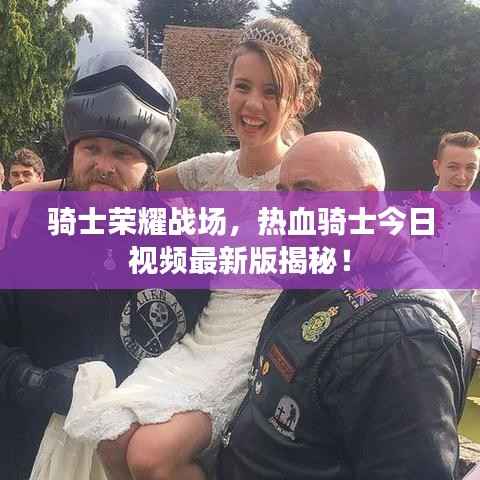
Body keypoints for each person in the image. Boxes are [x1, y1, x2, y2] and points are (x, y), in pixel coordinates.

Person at [55, 16, 323, 480]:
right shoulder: (210, 170)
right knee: (110, 434)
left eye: (271, 91)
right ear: (228, 90)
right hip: (202, 332)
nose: (252, 104)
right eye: (243, 86)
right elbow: (125, 180)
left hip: (260, 337)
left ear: (297, 101)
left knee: (149, 457)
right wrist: (21, 198)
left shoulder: (307, 173)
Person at [0, 50, 211, 480]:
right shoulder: (21, 234)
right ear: (71, 152)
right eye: (91, 148)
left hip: (129, 460)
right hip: (26, 451)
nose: (104, 166)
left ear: (150, 168)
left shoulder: (181, 253)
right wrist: (33, 382)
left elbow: (201, 358)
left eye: (123, 153)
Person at [217, 131, 471, 480]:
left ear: (367, 201)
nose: (286, 212)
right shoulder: (326, 263)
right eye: (283, 193)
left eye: (307, 193)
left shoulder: (407, 340)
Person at [414, 131, 480, 377]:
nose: (462, 177)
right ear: (437, 166)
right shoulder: (409, 215)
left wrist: (475, 347)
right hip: (407, 336)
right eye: (453, 166)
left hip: (458, 343)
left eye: (471, 168)